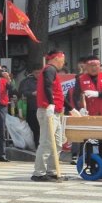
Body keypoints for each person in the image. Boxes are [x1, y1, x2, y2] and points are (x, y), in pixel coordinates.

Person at [32, 50, 68, 181]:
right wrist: (51, 104)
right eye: (62, 60)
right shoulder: (49, 70)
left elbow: (58, 93)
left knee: (57, 143)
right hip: (48, 111)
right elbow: (47, 86)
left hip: (55, 111)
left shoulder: (52, 71)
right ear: (57, 58)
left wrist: (72, 108)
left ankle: (52, 170)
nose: (63, 63)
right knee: (47, 142)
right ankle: (39, 172)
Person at [18, 66, 41, 148]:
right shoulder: (26, 82)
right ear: (32, 73)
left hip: (44, 108)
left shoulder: (46, 80)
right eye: (36, 73)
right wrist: (32, 93)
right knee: (34, 128)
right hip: (31, 108)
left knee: (42, 129)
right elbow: (21, 93)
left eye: (40, 72)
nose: (38, 74)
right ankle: (35, 145)